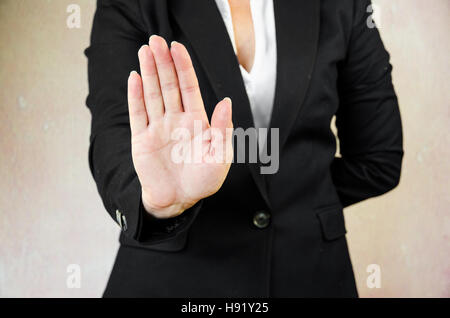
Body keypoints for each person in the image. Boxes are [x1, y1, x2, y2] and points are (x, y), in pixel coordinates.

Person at [85, 0, 403, 297]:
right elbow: (113, 134)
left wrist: (295, 191)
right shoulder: (131, 3)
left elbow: (378, 160)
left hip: (308, 277)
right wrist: (159, 204)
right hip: (171, 281)